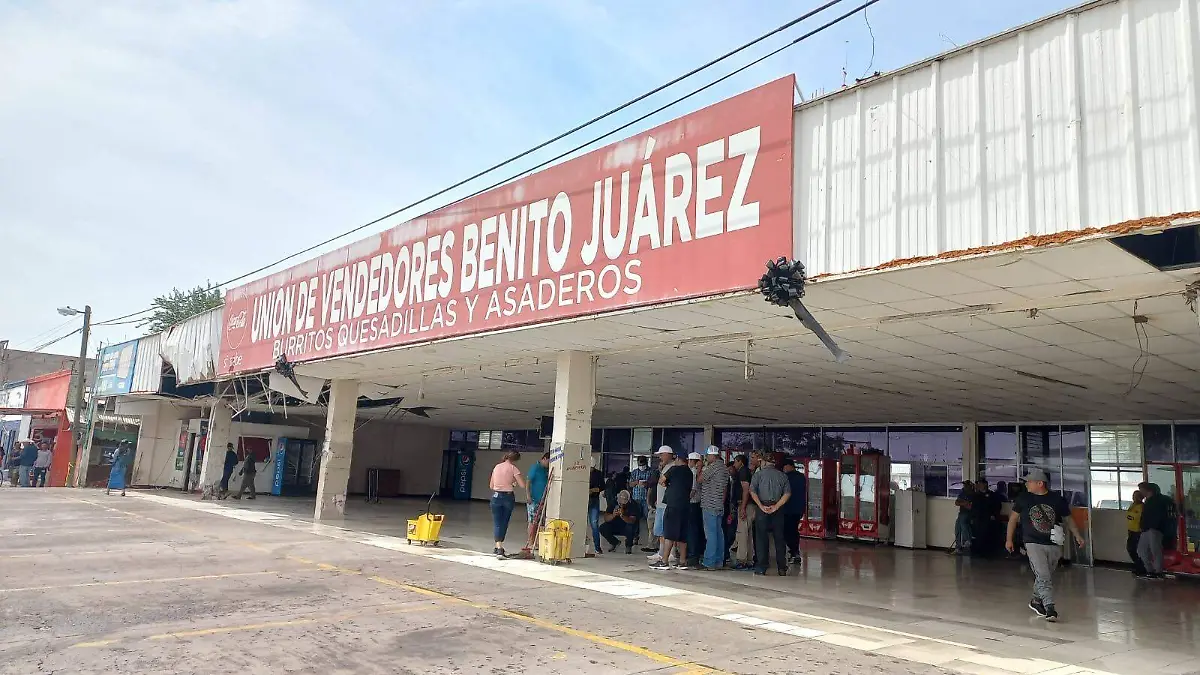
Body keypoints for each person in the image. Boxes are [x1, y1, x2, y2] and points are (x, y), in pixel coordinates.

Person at [1006, 469, 1084, 622]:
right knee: (1043, 575)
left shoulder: (1057, 499)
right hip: (1032, 542)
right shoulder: (1023, 498)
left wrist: (1077, 535)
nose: (1026, 484)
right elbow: (1013, 519)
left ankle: (1036, 600)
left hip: (1053, 542)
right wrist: (1009, 539)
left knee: (1046, 574)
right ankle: (1050, 608)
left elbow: (1068, 519)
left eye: (1029, 482)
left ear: (1040, 483)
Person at [750, 452, 791, 576]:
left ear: (764, 462)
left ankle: (761, 567)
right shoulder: (783, 476)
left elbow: (752, 491)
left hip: (762, 508)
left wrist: (761, 506)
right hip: (777, 509)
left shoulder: (758, 475)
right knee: (779, 538)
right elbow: (787, 493)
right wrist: (776, 507)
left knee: (761, 538)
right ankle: (781, 568)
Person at [650, 450, 692, 570]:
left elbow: (661, 480)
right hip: (685, 506)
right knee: (682, 535)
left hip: (673, 505)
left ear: (678, 459)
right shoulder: (689, 472)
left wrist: (669, 485)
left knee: (669, 533)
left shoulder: (674, 469)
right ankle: (682, 562)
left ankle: (664, 561)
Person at [488, 451, 525, 557]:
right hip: (508, 497)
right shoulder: (513, 468)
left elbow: (491, 485)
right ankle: (499, 547)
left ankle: (497, 546)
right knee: (504, 522)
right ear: (515, 460)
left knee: (497, 522)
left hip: (496, 496)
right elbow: (522, 485)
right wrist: (513, 482)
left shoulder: (496, 467)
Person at [696, 446, 728, 570]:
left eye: (707, 456)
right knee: (719, 534)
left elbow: (699, 480)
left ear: (711, 456)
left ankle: (709, 562)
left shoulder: (713, 467)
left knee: (711, 534)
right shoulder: (724, 468)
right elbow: (724, 489)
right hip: (719, 504)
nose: (706, 458)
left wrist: (699, 468)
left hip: (709, 504)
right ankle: (719, 561)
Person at [1138, 481, 1174, 580]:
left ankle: (1158, 572)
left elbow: (1164, 515)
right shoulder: (1148, 501)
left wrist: (1156, 525)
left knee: (1155, 550)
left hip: (1155, 529)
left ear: (1148, 490)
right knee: (1141, 550)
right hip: (1147, 529)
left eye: (1142, 490)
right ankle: (1150, 570)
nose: (1141, 492)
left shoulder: (1160, 500)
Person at [646, 446, 674, 562]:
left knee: (667, 530)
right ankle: (661, 552)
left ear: (668, 454)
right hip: (660, 503)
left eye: (662, 455)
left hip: (666, 504)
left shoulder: (672, 467)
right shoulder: (664, 467)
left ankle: (670, 553)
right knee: (660, 530)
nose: (660, 457)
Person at [730, 454, 755, 569]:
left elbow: (746, 490)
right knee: (747, 533)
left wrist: (743, 507)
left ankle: (742, 560)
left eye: (735, 461)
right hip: (747, 505)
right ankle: (749, 559)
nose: (734, 464)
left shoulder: (743, 472)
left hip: (745, 505)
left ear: (741, 462)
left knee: (742, 533)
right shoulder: (744, 472)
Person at [599, 489, 643, 553]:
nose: (621, 504)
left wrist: (623, 516)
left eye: (623, 503)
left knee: (630, 527)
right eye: (620, 503)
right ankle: (614, 542)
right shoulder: (613, 503)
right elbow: (606, 518)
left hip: (626, 525)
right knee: (602, 528)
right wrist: (613, 515)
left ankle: (628, 545)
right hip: (615, 525)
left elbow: (632, 520)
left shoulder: (633, 505)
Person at [782, 459, 806, 564]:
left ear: (789, 466)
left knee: (787, 532)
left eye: (784, 467)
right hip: (798, 509)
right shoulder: (801, 477)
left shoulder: (786, 477)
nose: (783, 469)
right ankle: (795, 552)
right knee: (794, 531)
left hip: (788, 509)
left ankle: (793, 552)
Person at [972, 479, 1002, 557]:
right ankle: (978, 552)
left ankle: (989, 552)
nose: (979, 486)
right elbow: (974, 507)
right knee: (978, 535)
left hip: (988, 519)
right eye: (978, 484)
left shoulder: (992, 495)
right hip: (978, 519)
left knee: (988, 535)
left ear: (985, 485)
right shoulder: (976, 496)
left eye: (980, 484)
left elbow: (997, 506)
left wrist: (993, 514)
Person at [685, 451, 705, 567]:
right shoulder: (699, 472)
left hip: (692, 504)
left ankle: (692, 555)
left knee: (691, 531)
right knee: (696, 530)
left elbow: (692, 490)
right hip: (698, 504)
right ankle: (695, 553)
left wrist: (685, 500)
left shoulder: (692, 472)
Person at [628, 455, 653, 545]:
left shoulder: (651, 471)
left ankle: (651, 540)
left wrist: (647, 484)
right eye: (640, 463)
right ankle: (635, 537)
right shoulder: (634, 472)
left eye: (643, 462)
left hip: (647, 499)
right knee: (635, 519)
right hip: (636, 499)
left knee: (649, 519)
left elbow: (653, 483)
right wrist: (636, 482)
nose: (642, 465)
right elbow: (630, 484)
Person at [1126, 489, 1147, 578]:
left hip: (1137, 531)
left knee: (1134, 550)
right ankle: (1138, 566)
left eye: (1135, 496)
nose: (1133, 497)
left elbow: (1138, 517)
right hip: (1131, 530)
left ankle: (1141, 568)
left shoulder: (1142, 507)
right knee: (1130, 549)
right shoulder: (1133, 505)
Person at [951, 481, 976, 555]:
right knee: (957, 528)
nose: (964, 486)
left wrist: (964, 503)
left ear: (970, 486)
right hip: (961, 512)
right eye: (964, 485)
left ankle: (967, 540)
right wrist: (964, 503)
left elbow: (970, 506)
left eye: (966, 485)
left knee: (963, 523)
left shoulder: (973, 494)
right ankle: (958, 547)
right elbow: (956, 502)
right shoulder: (962, 493)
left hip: (968, 514)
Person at [526, 452, 551, 526]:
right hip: (534, 500)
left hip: (543, 500)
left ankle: (538, 537)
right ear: (544, 459)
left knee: (542, 522)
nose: (549, 464)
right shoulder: (535, 467)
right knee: (533, 522)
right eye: (548, 462)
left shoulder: (546, 469)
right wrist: (528, 496)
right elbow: (528, 482)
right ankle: (530, 538)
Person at [588, 458, 605, 557]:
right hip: (583, 500)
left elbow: (602, 486)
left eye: (592, 468)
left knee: (594, 524)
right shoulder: (582, 472)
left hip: (593, 500)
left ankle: (597, 547)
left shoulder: (598, 474)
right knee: (580, 523)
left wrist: (594, 490)